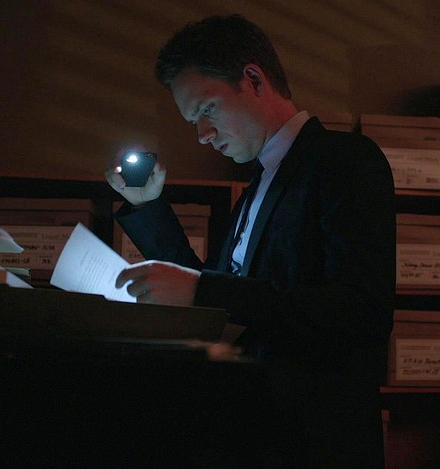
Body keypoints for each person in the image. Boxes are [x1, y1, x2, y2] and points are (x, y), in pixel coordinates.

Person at [104, 14, 395, 468]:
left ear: (254, 79)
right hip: (253, 431)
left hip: (312, 441)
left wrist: (202, 289)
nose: (203, 136)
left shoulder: (344, 160)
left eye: (207, 110)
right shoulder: (257, 184)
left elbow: (361, 310)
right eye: (194, 121)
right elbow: (219, 296)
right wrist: (149, 207)